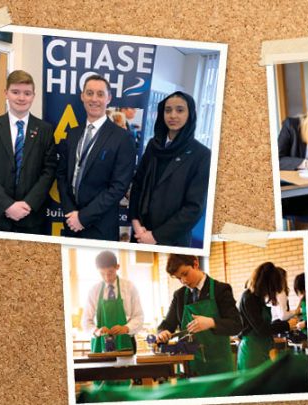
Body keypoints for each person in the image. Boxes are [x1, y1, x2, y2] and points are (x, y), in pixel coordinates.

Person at [0, 70, 57, 234]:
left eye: (27, 93)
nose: (21, 98)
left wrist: (28, 204)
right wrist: (7, 205)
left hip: (32, 217)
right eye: (15, 92)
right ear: (6, 93)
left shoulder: (45, 130)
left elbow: (49, 171)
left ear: (33, 96)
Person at [56, 75, 136, 241]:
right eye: (89, 93)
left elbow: (118, 187)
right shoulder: (72, 133)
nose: (94, 99)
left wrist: (83, 218)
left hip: (101, 227)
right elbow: (62, 175)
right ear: (82, 96)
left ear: (109, 98)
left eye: (100, 94)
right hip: (70, 222)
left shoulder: (122, 138)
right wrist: (71, 213)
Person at [128, 91, 210, 247]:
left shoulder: (202, 155)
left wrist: (156, 236)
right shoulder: (154, 145)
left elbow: (194, 207)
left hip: (172, 241)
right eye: (168, 110)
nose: (173, 115)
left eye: (180, 110)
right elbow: (138, 184)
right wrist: (136, 223)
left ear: (190, 114)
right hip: (141, 233)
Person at [156, 254, 241, 376]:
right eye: (179, 278)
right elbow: (167, 324)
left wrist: (211, 322)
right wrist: (162, 332)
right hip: (190, 366)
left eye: (185, 274)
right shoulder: (179, 295)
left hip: (219, 367)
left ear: (195, 264)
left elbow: (236, 325)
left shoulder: (221, 289)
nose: (183, 281)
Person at [237, 262, 298, 370]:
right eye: (273, 288)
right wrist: (287, 325)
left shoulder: (258, 298)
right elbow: (262, 329)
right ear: (266, 284)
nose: (273, 292)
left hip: (263, 348)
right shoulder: (249, 298)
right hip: (252, 351)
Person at [82, 251, 143, 353]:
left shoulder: (129, 287)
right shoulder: (94, 290)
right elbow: (86, 321)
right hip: (100, 344)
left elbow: (139, 316)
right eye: (102, 274)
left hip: (126, 342)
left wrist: (126, 328)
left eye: (110, 273)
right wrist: (96, 331)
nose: (107, 277)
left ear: (117, 267)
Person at [293, 273, 307, 339]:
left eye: (301, 290)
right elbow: (296, 313)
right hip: (304, 332)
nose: (300, 293)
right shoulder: (303, 300)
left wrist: (305, 324)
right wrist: (300, 300)